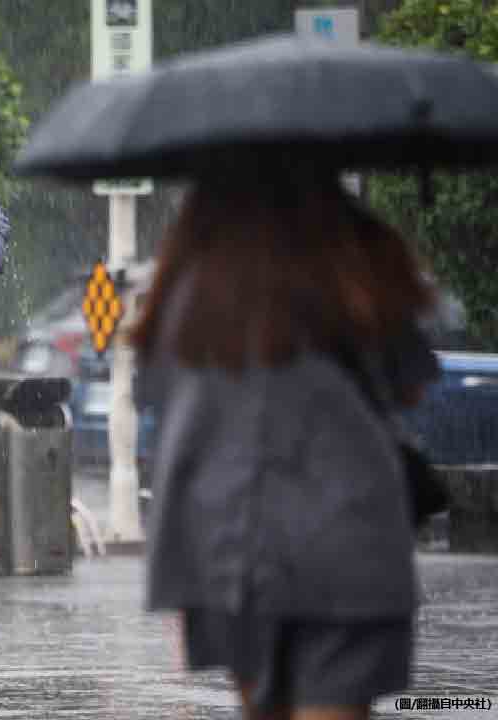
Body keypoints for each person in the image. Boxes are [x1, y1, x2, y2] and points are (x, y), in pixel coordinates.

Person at [131, 165, 439, 720]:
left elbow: (153, 392)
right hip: (347, 537)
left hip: (229, 546)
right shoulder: (357, 267)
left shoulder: (188, 285)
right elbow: (410, 384)